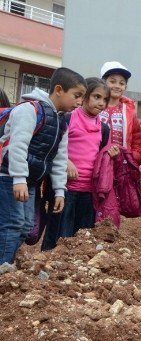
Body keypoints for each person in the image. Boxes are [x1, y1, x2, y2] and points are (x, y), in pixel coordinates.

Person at [0, 68, 86, 264]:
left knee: (26, 227)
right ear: (58, 90)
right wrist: (19, 179)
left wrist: (59, 190)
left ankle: (8, 263)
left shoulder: (61, 120)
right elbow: (17, 146)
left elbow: (60, 158)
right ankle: (3, 270)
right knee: (13, 224)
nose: (80, 102)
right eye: (77, 95)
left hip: (30, 181)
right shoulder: (29, 110)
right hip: (10, 177)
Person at [42, 78, 112, 251]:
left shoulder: (103, 129)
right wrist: (66, 161)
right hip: (65, 190)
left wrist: (112, 154)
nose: (101, 103)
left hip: (88, 192)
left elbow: (101, 157)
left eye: (105, 99)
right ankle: (46, 268)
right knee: (58, 235)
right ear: (84, 97)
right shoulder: (67, 118)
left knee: (81, 239)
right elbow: (52, 146)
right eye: (96, 97)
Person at [99, 62, 141, 166]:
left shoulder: (129, 111)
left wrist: (131, 159)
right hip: (94, 165)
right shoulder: (95, 108)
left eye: (121, 83)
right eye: (112, 81)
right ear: (103, 83)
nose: (117, 86)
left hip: (120, 167)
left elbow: (137, 140)